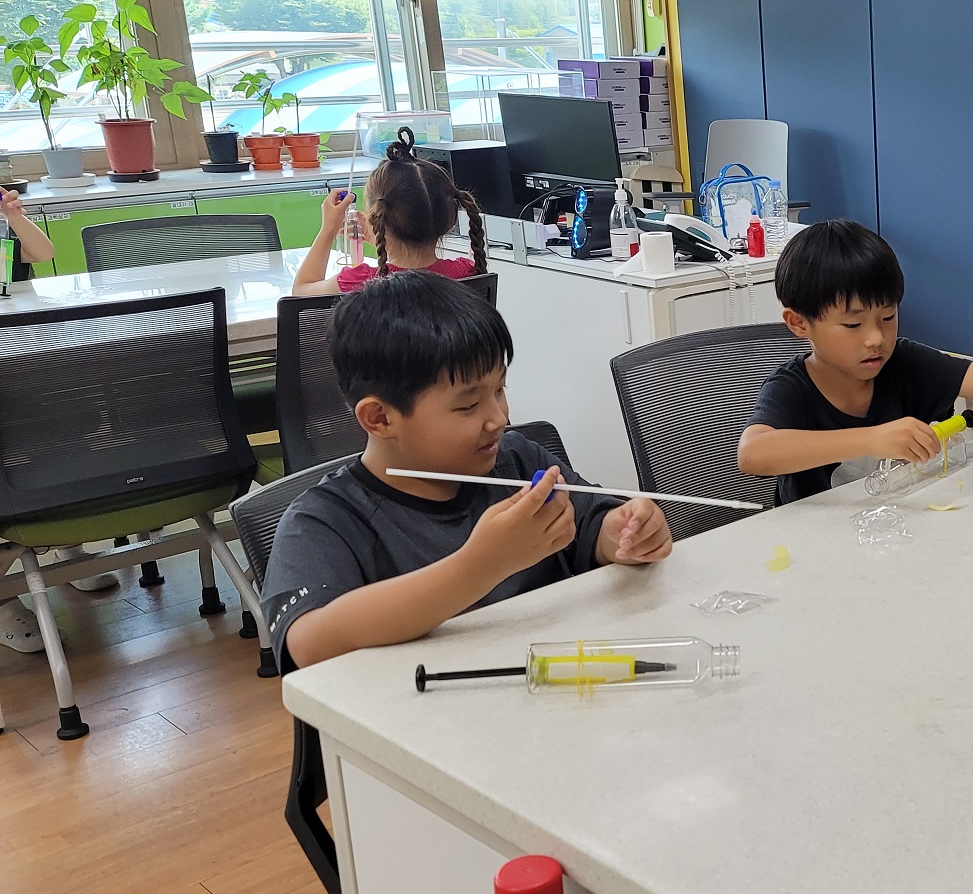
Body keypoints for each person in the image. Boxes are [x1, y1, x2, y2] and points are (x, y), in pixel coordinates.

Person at [262, 271, 671, 671]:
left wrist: (622, 534)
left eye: (500, 389)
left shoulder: (517, 463)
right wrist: (480, 566)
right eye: (468, 405)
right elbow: (308, 643)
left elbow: (592, 524)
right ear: (380, 418)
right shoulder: (325, 522)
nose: (499, 418)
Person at [739, 219, 973, 513]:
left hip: (894, 529)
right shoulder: (792, 388)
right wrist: (872, 439)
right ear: (799, 323)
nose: (875, 338)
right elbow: (753, 454)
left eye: (887, 317)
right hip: (815, 546)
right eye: (853, 324)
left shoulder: (902, 363)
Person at [1, 189, 117, 656]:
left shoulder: (6, 234)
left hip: (26, 359)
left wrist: (14, 217)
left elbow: (44, 253)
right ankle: (6, 599)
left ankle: (68, 543)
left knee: (73, 426)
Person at [291, 134, 486, 297]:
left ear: (376, 215)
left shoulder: (361, 281)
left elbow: (301, 291)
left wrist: (328, 229)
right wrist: (381, 238)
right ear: (449, 219)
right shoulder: (466, 272)